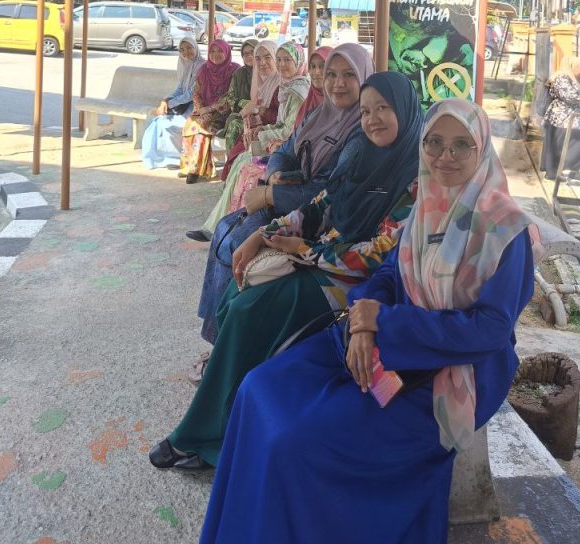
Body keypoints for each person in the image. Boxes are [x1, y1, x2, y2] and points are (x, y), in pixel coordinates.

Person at [196, 98, 539, 544]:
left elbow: (489, 331)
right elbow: (388, 275)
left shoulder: (504, 230)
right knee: (257, 389)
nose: (445, 156)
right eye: (434, 143)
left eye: (461, 145)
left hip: (452, 373)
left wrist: (385, 323)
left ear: (482, 150)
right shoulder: (428, 204)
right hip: (383, 346)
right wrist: (362, 321)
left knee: (294, 442)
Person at [149, 71, 424, 472]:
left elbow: (377, 255)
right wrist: (264, 235)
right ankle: (228, 409)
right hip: (321, 258)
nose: (372, 119)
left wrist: (304, 251)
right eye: (366, 112)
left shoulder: (414, 180)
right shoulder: (362, 155)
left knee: (250, 310)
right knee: (236, 293)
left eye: (383, 108)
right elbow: (318, 205)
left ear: (405, 110)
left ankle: (204, 437)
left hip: (357, 285)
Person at [189, 47, 373, 346]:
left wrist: (271, 194)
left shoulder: (360, 132)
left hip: (317, 219)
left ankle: (226, 341)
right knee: (224, 229)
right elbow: (286, 149)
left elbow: (327, 193)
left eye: (349, 75)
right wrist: (275, 172)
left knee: (236, 240)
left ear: (364, 78)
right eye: (332, 74)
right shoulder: (318, 114)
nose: (338, 83)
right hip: (289, 199)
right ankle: (215, 337)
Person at [187, 43, 310, 240]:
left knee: (245, 166)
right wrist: (261, 128)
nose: (281, 64)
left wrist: (261, 132)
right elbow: (280, 123)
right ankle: (221, 226)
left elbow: (288, 130)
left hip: (288, 150)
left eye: (287, 60)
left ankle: (228, 228)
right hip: (279, 143)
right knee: (240, 161)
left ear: (299, 62)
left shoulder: (298, 91)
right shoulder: (287, 85)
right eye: (279, 59)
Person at [179, 40, 239, 184]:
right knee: (190, 124)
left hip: (225, 113)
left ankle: (195, 170)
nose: (215, 54)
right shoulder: (204, 69)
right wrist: (201, 109)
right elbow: (196, 93)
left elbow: (230, 96)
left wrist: (210, 109)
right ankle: (189, 166)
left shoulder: (235, 70)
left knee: (202, 126)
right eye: (212, 51)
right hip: (205, 110)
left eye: (220, 51)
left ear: (227, 52)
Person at [220, 40, 282, 180]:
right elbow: (232, 99)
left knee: (241, 154)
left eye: (267, 57)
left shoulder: (282, 84)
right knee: (238, 149)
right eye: (257, 58)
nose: (262, 63)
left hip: (273, 134)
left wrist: (258, 112)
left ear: (275, 58)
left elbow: (280, 118)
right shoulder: (242, 74)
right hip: (258, 127)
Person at [140, 37, 205, 170]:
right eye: (182, 49)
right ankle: (160, 157)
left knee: (166, 124)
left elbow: (191, 94)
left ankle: (176, 158)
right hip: (185, 106)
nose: (186, 52)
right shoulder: (185, 64)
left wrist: (170, 104)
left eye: (189, 48)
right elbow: (180, 88)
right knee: (156, 122)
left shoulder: (202, 66)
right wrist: (166, 100)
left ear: (196, 47)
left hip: (197, 107)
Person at [540, 56, 580, 180]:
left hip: (565, 119)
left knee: (560, 147)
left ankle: (556, 172)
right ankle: (561, 169)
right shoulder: (562, 77)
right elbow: (569, 97)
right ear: (573, 67)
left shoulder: (570, 78)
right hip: (561, 119)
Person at [221, 38, 258, 152]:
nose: (249, 56)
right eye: (245, 54)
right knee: (234, 125)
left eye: (252, 52)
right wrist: (244, 103)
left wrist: (255, 106)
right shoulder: (238, 74)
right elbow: (230, 97)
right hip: (242, 114)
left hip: (262, 115)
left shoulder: (266, 71)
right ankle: (231, 160)